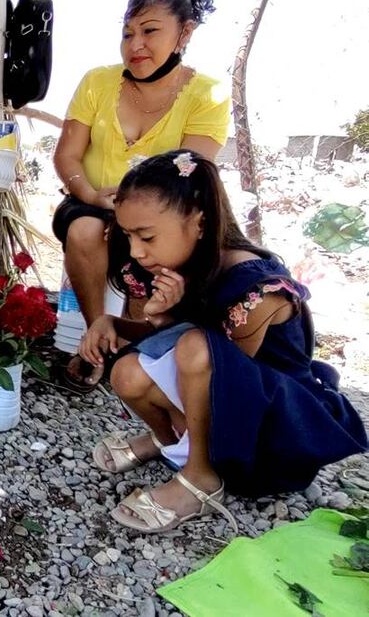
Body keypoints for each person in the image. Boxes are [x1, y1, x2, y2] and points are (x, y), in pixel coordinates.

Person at [83, 150, 367, 533]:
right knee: (128, 372)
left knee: (194, 346)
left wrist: (171, 319)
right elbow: (176, 346)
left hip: (272, 435)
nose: (135, 250)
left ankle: (202, 477)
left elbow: (218, 366)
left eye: (146, 236)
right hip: (219, 402)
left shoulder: (256, 288)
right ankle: (172, 444)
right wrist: (115, 322)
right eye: (128, 235)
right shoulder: (171, 265)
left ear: (198, 221)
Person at [52, 0, 230, 391]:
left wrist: (136, 214)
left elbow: (188, 177)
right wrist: (93, 195)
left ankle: (140, 348)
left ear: (184, 33)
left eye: (150, 31)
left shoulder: (207, 94)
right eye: (128, 33)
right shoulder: (98, 81)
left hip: (163, 211)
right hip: (91, 200)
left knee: (153, 244)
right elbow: (67, 156)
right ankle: (96, 339)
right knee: (84, 230)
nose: (136, 45)